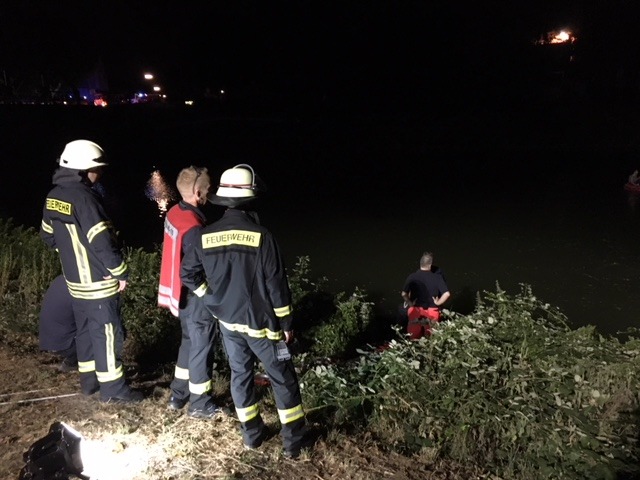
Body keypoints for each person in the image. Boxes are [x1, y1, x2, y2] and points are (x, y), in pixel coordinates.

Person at [180, 164, 306, 458]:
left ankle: (251, 434)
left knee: (240, 375)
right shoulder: (263, 237)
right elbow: (277, 287)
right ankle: (293, 442)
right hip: (263, 326)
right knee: (283, 379)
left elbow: (189, 275)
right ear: (250, 199)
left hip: (228, 323)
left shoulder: (204, 235)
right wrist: (286, 322)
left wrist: (211, 300)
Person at [39, 139, 143, 403]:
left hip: (74, 283)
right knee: (107, 333)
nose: (101, 174)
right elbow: (102, 241)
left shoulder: (53, 197)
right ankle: (114, 390)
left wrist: (73, 255)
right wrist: (120, 272)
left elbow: (48, 236)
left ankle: (89, 382)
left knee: (85, 332)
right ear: (84, 170)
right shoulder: (85, 199)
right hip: (98, 283)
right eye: (99, 169)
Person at [158, 165, 224, 419]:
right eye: (208, 189)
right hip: (194, 297)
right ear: (197, 192)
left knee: (188, 344)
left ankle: (178, 394)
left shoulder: (175, 213)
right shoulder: (195, 227)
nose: (210, 193)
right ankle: (200, 404)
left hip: (179, 295)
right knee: (201, 348)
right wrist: (209, 295)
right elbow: (196, 267)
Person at [401, 252, 451, 340]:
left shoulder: (412, 276)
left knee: (413, 337)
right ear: (430, 264)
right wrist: (438, 302)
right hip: (432, 311)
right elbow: (447, 294)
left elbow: (404, 294)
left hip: (416, 310)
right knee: (431, 338)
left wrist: (410, 304)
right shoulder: (437, 277)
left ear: (420, 263)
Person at [39, 274, 78, 373]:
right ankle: (74, 362)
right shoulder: (78, 288)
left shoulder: (64, 278)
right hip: (64, 344)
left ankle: (72, 361)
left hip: (50, 340)